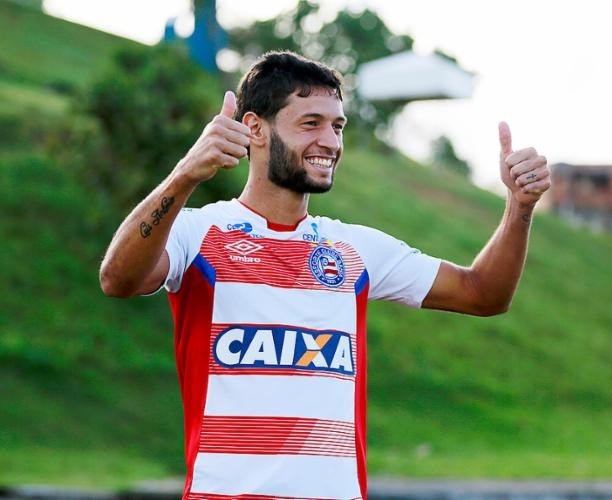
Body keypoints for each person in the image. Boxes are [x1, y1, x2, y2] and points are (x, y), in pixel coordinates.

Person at [99, 51, 550, 500]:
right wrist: (183, 177)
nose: (331, 143)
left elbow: (483, 293)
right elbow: (117, 279)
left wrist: (519, 207)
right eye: (310, 123)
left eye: (337, 126)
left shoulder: (354, 249)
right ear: (255, 128)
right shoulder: (198, 231)